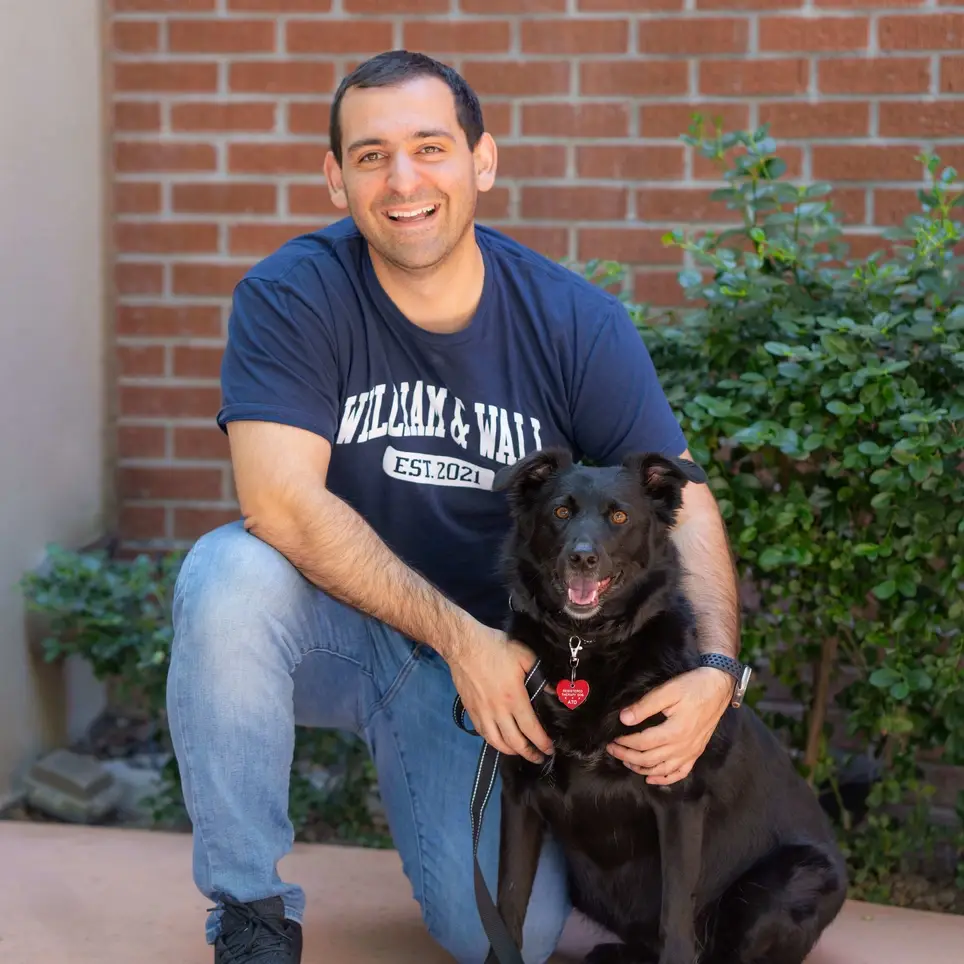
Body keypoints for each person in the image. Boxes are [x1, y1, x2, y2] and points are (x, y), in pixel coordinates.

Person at [166, 49, 743, 964]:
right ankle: (251, 914)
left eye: (431, 148)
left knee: (503, 936)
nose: (403, 182)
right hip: (349, 632)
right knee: (229, 573)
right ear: (335, 176)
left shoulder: (573, 321)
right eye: (370, 156)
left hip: (484, 686)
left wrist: (716, 667)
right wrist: (461, 639)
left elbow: (687, 499)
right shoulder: (292, 296)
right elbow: (278, 503)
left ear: (482, 161)